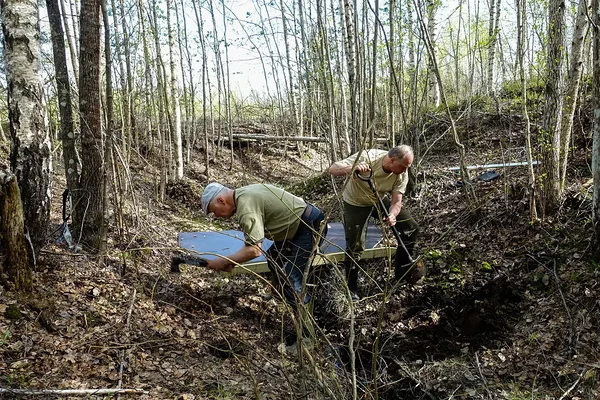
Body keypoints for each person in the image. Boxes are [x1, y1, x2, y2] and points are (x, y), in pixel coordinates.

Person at [201, 182, 327, 344]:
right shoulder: (243, 193)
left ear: (221, 200)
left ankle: (308, 338)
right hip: (297, 226)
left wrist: (224, 260)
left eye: (214, 211)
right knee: (274, 259)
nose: (216, 216)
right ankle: (279, 294)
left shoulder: (246, 206)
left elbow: (254, 250)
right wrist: (233, 261)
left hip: (308, 226)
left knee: (293, 282)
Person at [328, 145, 419, 301]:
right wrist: (353, 167)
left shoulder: (402, 174)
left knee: (410, 228)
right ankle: (351, 287)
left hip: (378, 199)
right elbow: (333, 168)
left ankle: (401, 275)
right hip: (355, 202)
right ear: (392, 160)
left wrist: (392, 214)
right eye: (403, 166)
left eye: (407, 167)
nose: (405, 171)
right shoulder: (368, 157)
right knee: (356, 245)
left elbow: (397, 201)